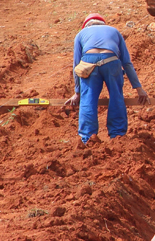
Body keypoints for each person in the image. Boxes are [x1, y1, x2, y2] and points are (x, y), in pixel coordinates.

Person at [64, 13, 149, 145]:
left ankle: (88, 139)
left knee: (88, 99)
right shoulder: (114, 31)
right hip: (112, 61)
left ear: (86, 25)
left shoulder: (81, 34)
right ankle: (118, 136)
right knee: (116, 96)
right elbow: (126, 63)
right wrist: (139, 89)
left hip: (89, 63)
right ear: (103, 23)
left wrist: (77, 92)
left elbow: (76, 64)